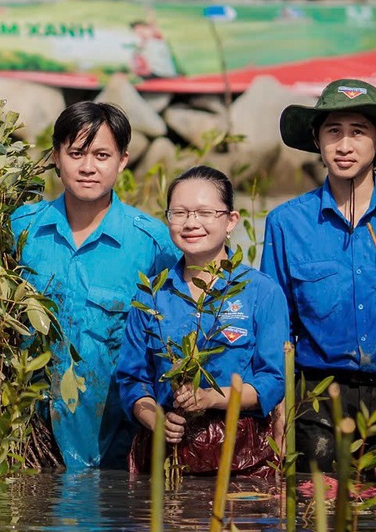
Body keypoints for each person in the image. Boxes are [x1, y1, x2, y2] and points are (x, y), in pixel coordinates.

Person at [261, 79, 376, 471]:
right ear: (317, 141)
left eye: (358, 132)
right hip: (316, 398)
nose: (344, 145)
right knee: (313, 519)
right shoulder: (286, 223)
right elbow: (276, 328)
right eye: (333, 132)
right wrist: (281, 412)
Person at [11, 101, 178, 471]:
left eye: (102, 154)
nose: (88, 167)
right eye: (76, 153)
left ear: (123, 161)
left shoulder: (151, 244)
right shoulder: (19, 229)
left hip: (115, 452)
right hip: (26, 444)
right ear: (56, 157)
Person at [117, 166, 288, 480]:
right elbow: (131, 378)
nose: (191, 223)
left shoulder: (262, 292)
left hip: (240, 455)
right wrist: (156, 419)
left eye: (205, 213)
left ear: (231, 221)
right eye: (179, 213)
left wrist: (212, 396)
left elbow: (273, 381)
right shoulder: (152, 295)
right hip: (164, 453)